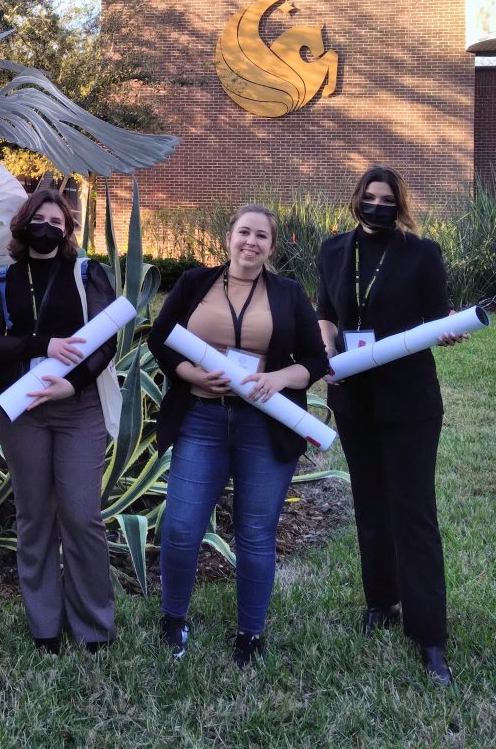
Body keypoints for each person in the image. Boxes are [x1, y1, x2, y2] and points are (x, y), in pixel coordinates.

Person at [148, 204, 328, 666]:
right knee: (182, 527)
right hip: (202, 419)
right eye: (243, 233)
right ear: (228, 238)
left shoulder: (288, 293)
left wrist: (279, 379)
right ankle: (173, 620)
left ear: (271, 246)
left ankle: (250, 634)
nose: (251, 243)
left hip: (264, 423)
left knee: (255, 533)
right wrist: (189, 374)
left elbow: (314, 360)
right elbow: (160, 337)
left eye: (261, 236)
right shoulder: (194, 283)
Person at [316, 165, 466, 686]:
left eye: (386, 199)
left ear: (399, 204)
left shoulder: (422, 253)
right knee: (370, 505)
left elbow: (436, 312)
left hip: (409, 400)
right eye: (369, 196)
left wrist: (447, 328)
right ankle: (380, 601)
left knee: (414, 511)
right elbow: (326, 314)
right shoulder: (334, 249)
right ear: (356, 198)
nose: (376, 204)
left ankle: (430, 636)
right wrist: (326, 342)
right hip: (353, 396)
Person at [0, 189, 118, 655]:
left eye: (59, 222)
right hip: (21, 410)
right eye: (42, 218)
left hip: (78, 408)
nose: (50, 227)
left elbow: (105, 340)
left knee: (81, 515)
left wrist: (71, 384)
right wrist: (42, 345)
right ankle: (45, 628)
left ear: (67, 231)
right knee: (34, 516)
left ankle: (94, 627)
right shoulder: (0, 281)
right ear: (23, 223)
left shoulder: (85, 273)